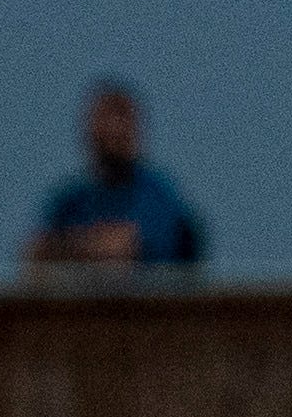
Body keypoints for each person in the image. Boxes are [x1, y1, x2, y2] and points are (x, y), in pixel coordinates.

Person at [23, 77, 206, 272]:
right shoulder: (71, 201)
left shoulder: (158, 195)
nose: (113, 131)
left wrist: (73, 247)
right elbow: (35, 253)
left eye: (122, 121)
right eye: (104, 122)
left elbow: (126, 247)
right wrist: (89, 246)